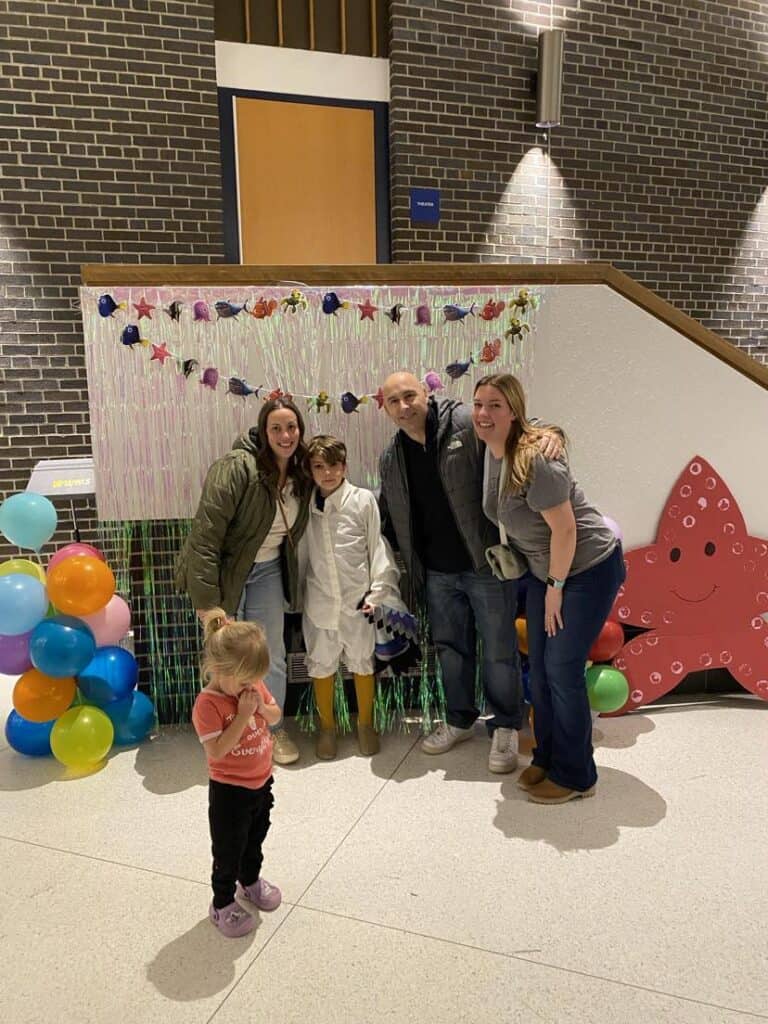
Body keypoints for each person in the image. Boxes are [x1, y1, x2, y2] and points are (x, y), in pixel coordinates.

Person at [378, 372, 561, 773]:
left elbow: (515, 428)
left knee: (499, 651)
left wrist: (553, 433)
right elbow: (390, 519)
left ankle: (506, 725)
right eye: (394, 401)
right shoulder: (391, 458)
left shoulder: (464, 421)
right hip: (437, 574)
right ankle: (460, 719)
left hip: (485, 565)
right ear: (385, 408)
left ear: (426, 393)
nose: (404, 406)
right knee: (451, 650)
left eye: (410, 395)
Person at [473, 373, 625, 804]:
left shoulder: (536, 458)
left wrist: (556, 587)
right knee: (539, 669)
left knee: (561, 669)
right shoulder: (492, 448)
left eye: (496, 405)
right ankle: (548, 756)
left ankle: (577, 775)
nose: (484, 413)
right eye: (479, 404)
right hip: (547, 572)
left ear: (514, 411)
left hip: (585, 568)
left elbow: (566, 530)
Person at [175, 397, 312, 765]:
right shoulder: (237, 467)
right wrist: (208, 602)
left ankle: (271, 727)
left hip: (268, 569)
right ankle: (223, 731)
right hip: (226, 575)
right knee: (224, 660)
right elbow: (204, 535)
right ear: (263, 431)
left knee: (271, 655)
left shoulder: (301, 472)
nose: (285, 435)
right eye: (276, 428)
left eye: (292, 427)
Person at [302, 434, 414, 760]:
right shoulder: (305, 504)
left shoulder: (363, 500)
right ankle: (327, 727)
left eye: (334, 465)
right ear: (309, 470)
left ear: (345, 465)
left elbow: (376, 546)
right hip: (320, 601)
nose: (327, 473)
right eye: (319, 466)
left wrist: (378, 590)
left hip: (357, 600)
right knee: (321, 664)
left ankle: (365, 723)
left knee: (362, 662)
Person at [192, 610, 283, 938]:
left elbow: (274, 716)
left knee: (255, 839)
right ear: (219, 670)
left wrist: (258, 705)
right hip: (230, 793)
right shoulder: (208, 705)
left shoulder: (251, 686)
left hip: (261, 781)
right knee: (228, 849)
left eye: (253, 681)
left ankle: (250, 881)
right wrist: (244, 715)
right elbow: (217, 751)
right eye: (244, 682)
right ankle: (222, 902)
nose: (250, 687)